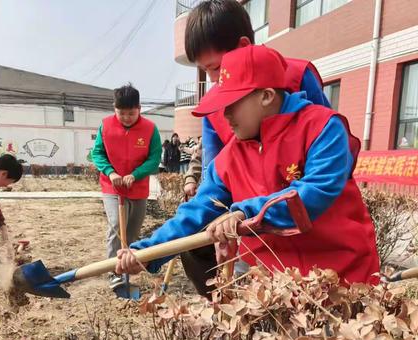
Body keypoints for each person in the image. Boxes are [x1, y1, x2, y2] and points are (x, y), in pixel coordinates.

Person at [115, 45, 379, 297]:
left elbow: (314, 193)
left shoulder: (323, 128)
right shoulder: (232, 155)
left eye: (232, 103)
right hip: (272, 285)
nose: (225, 114)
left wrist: (245, 212)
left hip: (341, 276)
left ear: (266, 95)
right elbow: (196, 211)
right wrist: (146, 251)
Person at [184, 0, 331, 181]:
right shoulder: (212, 108)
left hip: (305, 199)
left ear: (244, 46)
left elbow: (328, 146)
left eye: (216, 68)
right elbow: (214, 175)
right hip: (247, 205)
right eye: (204, 70)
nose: (213, 80)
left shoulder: (297, 77)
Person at [91, 83, 161, 289]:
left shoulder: (149, 128)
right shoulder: (105, 126)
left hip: (138, 188)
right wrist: (110, 172)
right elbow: (97, 153)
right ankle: (114, 271)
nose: (126, 117)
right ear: (115, 108)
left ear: (139, 108)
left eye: (131, 113)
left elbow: (154, 157)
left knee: (132, 231)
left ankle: (128, 266)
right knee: (115, 226)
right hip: (112, 186)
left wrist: (136, 174)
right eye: (122, 113)